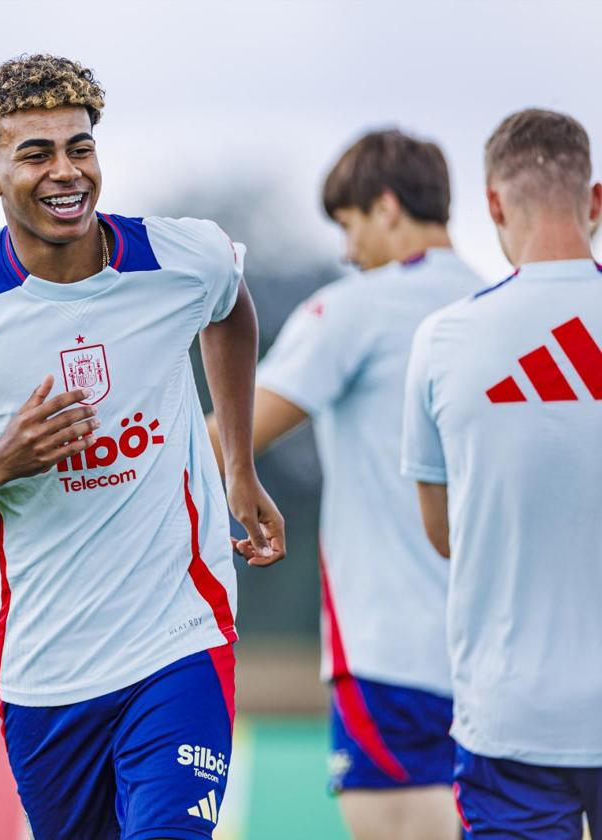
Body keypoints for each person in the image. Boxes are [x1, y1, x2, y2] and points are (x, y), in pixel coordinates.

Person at [0, 54, 285, 839]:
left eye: (80, 147)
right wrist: (0, 462)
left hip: (181, 640)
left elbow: (231, 309)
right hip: (45, 671)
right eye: (36, 154)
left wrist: (237, 466)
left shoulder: (181, 257)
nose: (66, 172)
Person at [206, 130, 480, 840]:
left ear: (386, 208)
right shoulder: (494, 306)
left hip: (391, 649)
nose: (347, 252)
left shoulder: (355, 308)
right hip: (497, 649)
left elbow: (230, 437)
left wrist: (97, 466)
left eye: (350, 225)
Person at [402, 107, 602, 838]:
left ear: (492, 204)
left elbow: (443, 533)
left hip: (510, 718)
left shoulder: (444, 340)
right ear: (596, 200)